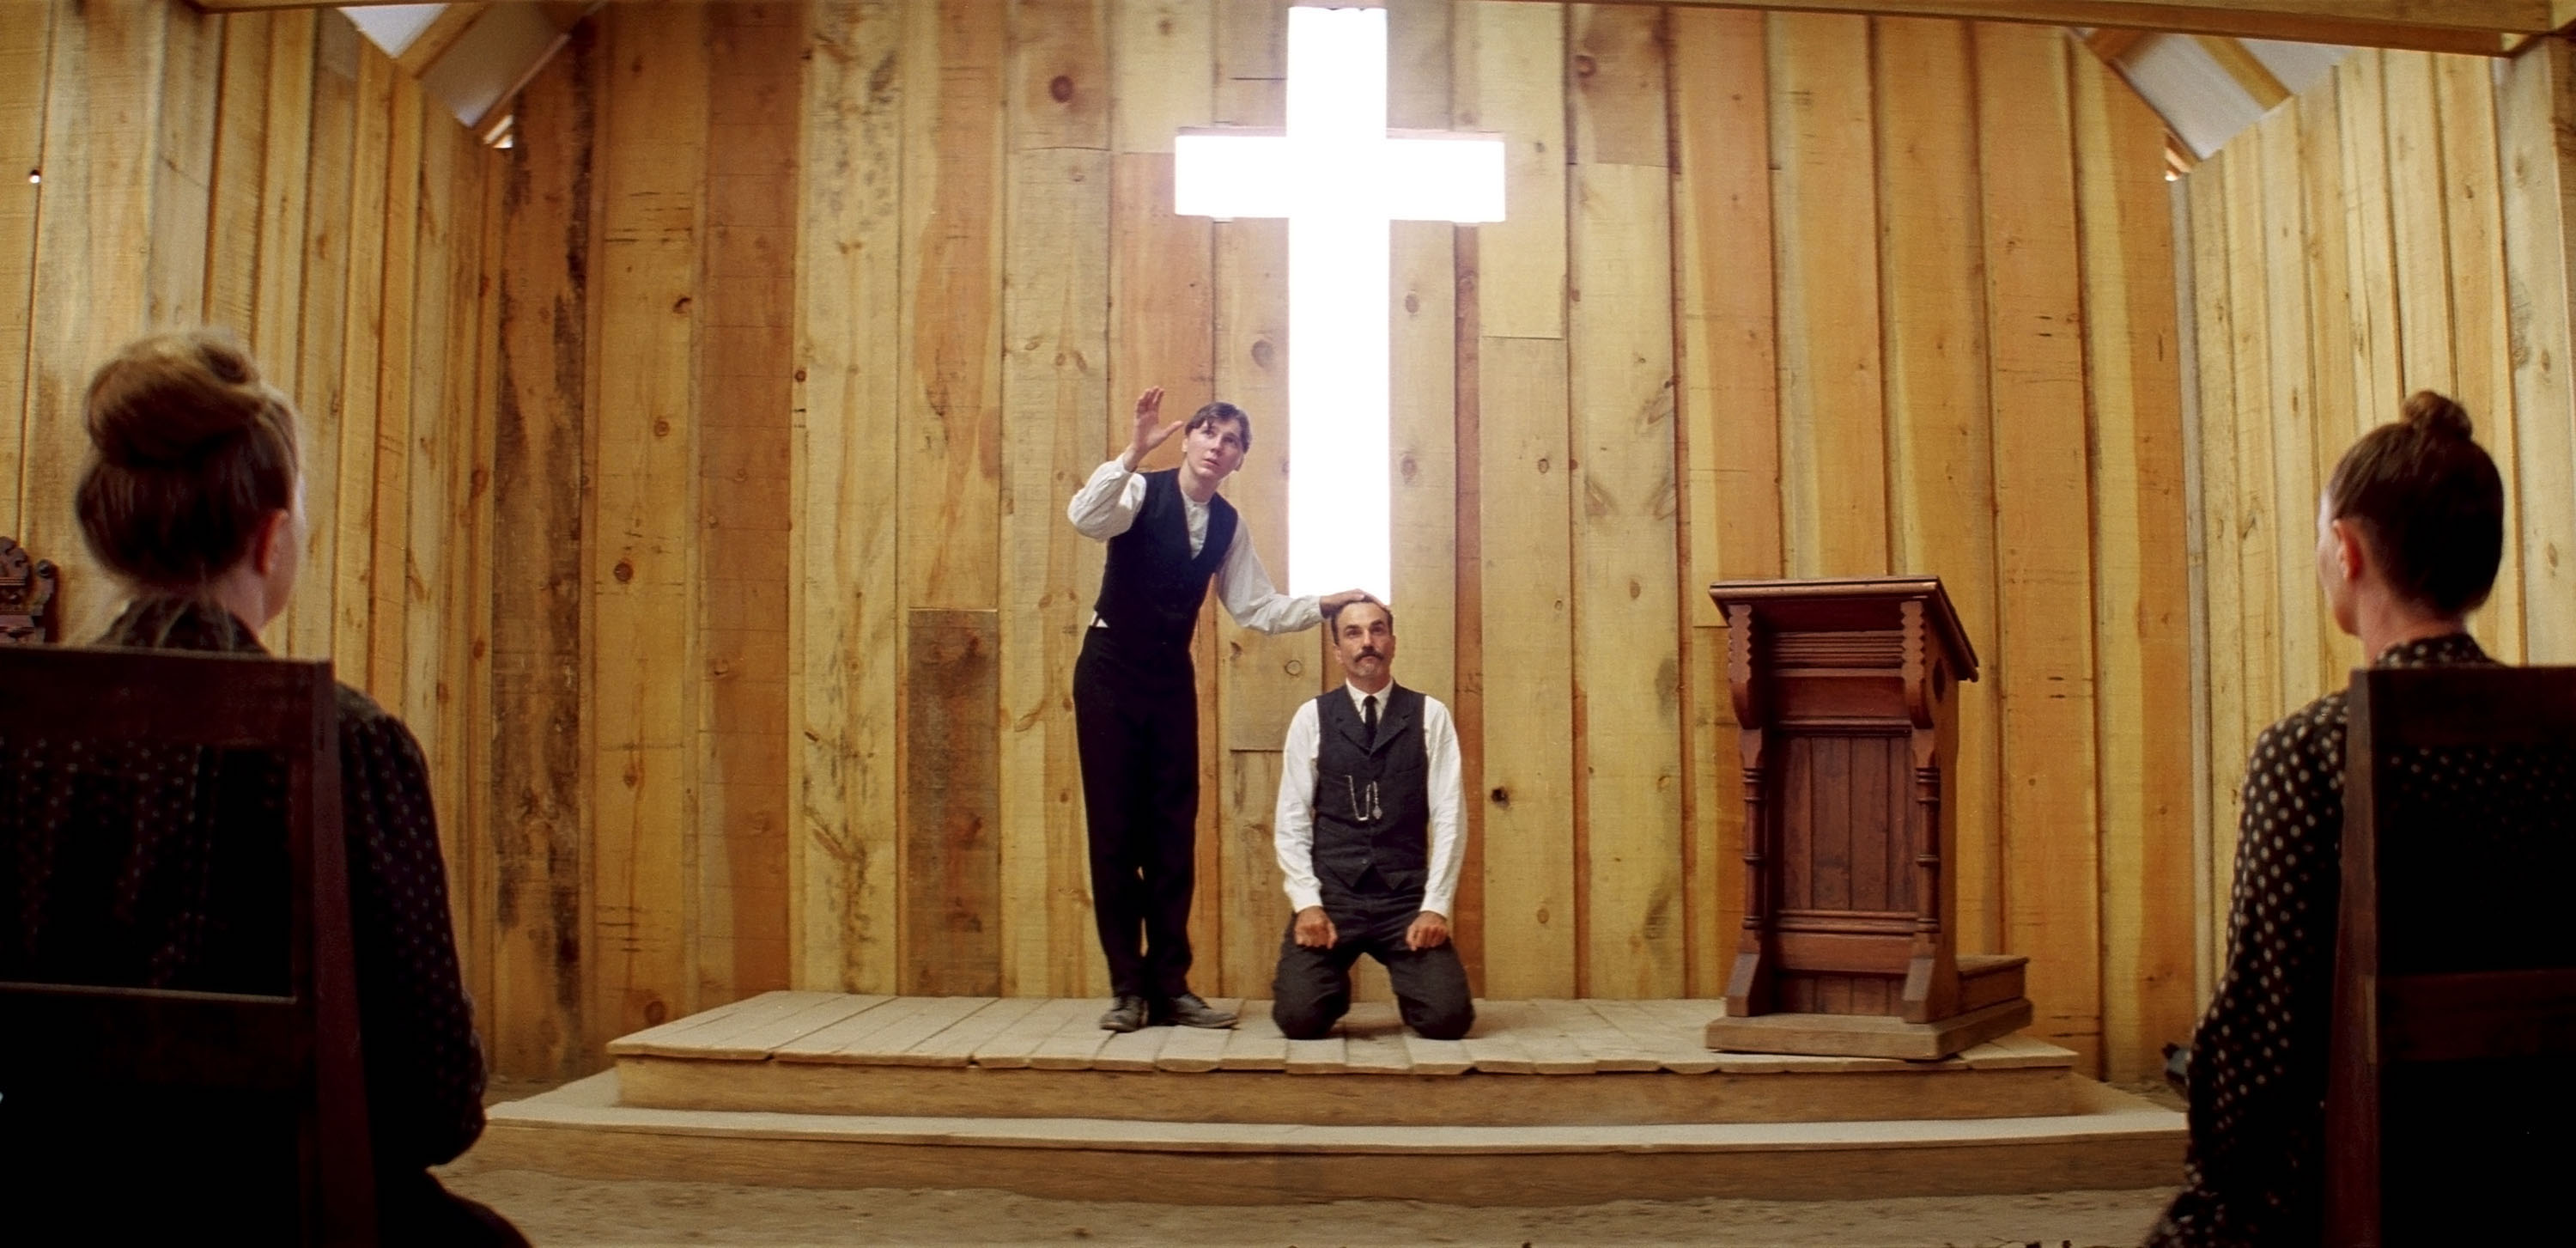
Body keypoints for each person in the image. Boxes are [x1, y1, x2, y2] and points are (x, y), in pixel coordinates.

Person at [59, 330, 523, 1245]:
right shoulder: (352, 742)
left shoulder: (25, 734)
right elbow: (436, 1104)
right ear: (273, 537)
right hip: (275, 1206)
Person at [2148, 391, 2505, 1247]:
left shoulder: (2311, 754)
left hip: (2380, 1175)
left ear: (2343, 550)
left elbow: (2265, 1052)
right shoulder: (2556, 731)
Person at [1066, 387, 1364, 1032]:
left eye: (1230, 440)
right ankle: (1128, 989)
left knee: (1173, 832)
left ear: (1238, 459)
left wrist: (1322, 604)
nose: (1216, 445)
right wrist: (1130, 453)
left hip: (1170, 677)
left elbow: (1256, 605)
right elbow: (1085, 519)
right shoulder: (1138, 491)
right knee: (1116, 831)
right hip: (1109, 672)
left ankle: (1171, 987)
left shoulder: (1228, 525)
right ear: (1188, 440)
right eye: (1207, 432)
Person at [1269, 595, 1473, 1043]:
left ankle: (1414, 985)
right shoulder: (1312, 717)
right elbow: (1291, 818)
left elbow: (1450, 816)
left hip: (1403, 898)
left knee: (1448, 1020)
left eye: (1377, 630)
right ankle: (1327, 987)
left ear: (1393, 642)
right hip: (1334, 896)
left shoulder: (1430, 715)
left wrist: (1435, 907)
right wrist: (1307, 902)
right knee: (1299, 1019)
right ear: (1338, 649)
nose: (1368, 642)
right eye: (1354, 633)